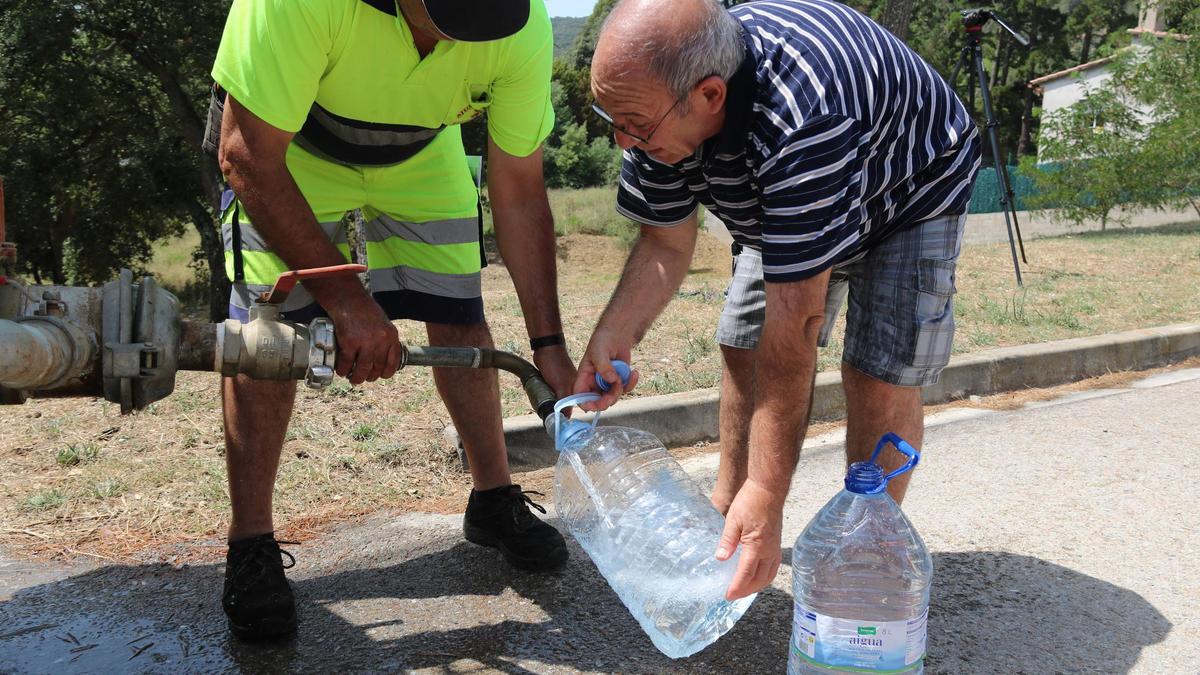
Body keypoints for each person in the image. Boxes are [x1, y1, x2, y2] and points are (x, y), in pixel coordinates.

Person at [575, 0, 981, 601]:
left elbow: (796, 325)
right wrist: (616, 332)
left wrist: (771, 492)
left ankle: (865, 544)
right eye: (611, 117)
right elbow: (664, 239)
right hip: (798, 190)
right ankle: (728, 510)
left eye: (633, 123)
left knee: (877, 371)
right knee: (741, 341)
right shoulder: (656, 112)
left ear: (711, 96)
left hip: (910, 188)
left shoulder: (801, 114)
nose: (621, 139)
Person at [211, 0, 575, 639]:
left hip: (421, 149)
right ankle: (251, 546)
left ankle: (492, 499)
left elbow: (519, 188)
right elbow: (246, 156)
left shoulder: (524, 24)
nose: (464, 31)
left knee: (459, 316)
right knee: (264, 335)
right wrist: (346, 301)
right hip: (288, 146)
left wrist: (548, 345)